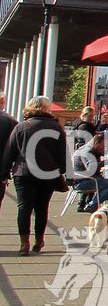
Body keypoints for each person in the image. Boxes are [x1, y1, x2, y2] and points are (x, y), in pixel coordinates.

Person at [4, 98, 69, 255]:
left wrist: (4, 172)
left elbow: (10, 152)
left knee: (24, 208)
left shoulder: (21, 127)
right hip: (47, 173)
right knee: (42, 208)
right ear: (47, 109)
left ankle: (23, 244)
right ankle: (38, 241)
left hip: (23, 172)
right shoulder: (56, 128)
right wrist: (62, 170)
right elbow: (62, 155)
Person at [72, 132, 108, 213]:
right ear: (97, 143)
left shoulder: (89, 149)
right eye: (104, 145)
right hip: (82, 181)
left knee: (107, 182)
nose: (105, 148)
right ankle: (92, 206)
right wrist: (106, 162)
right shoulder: (87, 152)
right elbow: (91, 168)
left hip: (84, 179)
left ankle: (91, 204)